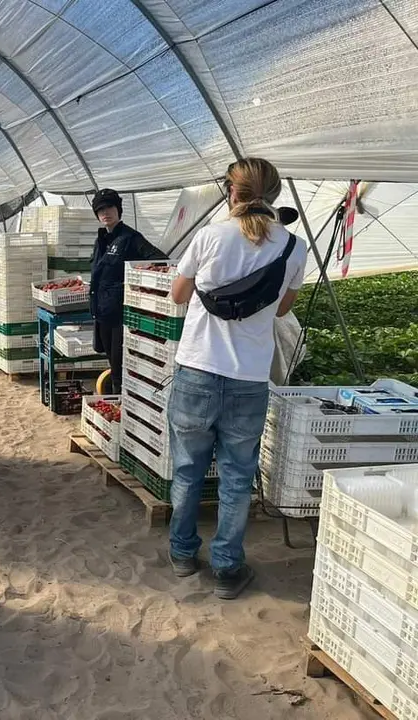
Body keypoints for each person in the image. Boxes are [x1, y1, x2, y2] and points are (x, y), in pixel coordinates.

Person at [167, 157, 308, 599]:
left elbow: (178, 295)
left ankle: (183, 553)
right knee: (236, 475)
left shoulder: (210, 237)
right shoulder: (293, 247)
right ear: (275, 194)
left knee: (188, 470)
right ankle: (228, 567)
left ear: (233, 191)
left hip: (197, 371)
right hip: (248, 378)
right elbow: (283, 309)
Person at [89, 188, 167, 393]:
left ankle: (121, 399)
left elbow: (159, 259)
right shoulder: (101, 240)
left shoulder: (130, 237)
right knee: (110, 357)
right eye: (101, 210)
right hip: (102, 311)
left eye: (110, 207)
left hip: (122, 313)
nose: (106, 213)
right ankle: (117, 397)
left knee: (120, 362)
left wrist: (138, 275)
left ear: (118, 209)